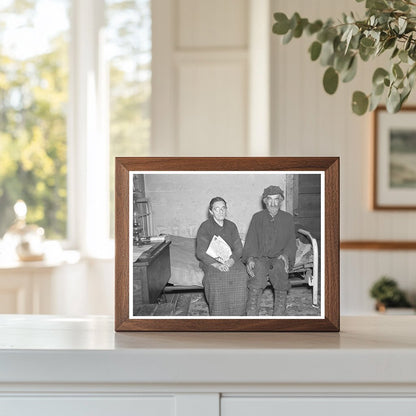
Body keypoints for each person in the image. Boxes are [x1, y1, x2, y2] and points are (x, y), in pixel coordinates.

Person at [242, 185, 296, 316]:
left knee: (280, 269)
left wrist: (286, 255)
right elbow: (251, 240)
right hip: (261, 256)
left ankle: (279, 312)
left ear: (281, 200)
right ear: (265, 201)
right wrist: (250, 258)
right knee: (257, 273)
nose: (273, 203)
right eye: (269, 199)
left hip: (279, 257)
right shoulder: (257, 217)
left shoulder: (288, 218)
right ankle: (252, 312)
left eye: (276, 199)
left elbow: (291, 242)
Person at [196, 197, 248, 316]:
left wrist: (230, 262)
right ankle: (219, 317)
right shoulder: (205, 227)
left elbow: (239, 248)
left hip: (230, 260)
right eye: (216, 209)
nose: (220, 211)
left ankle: (238, 316)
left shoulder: (231, 226)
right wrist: (217, 265)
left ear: (226, 210)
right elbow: (201, 252)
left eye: (223, 208)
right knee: (215, 279)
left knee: (241, 274)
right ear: (211, 211)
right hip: (211, 261)